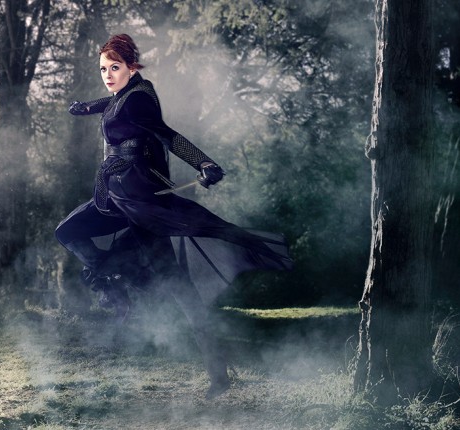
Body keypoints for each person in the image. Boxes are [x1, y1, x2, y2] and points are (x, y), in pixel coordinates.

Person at [56, 34, 292, 399]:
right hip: (118, 197)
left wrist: (204, 162)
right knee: (68, 231)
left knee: (180, 288)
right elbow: (110, 102)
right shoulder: (126, 93)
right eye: (103, 69)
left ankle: (217, 372)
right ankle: (116, 283)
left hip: (139, 201)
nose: (108, 75)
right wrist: (85, 107)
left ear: (131, 66)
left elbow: (168, 136)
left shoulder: (138, 100)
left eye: (115, 67)